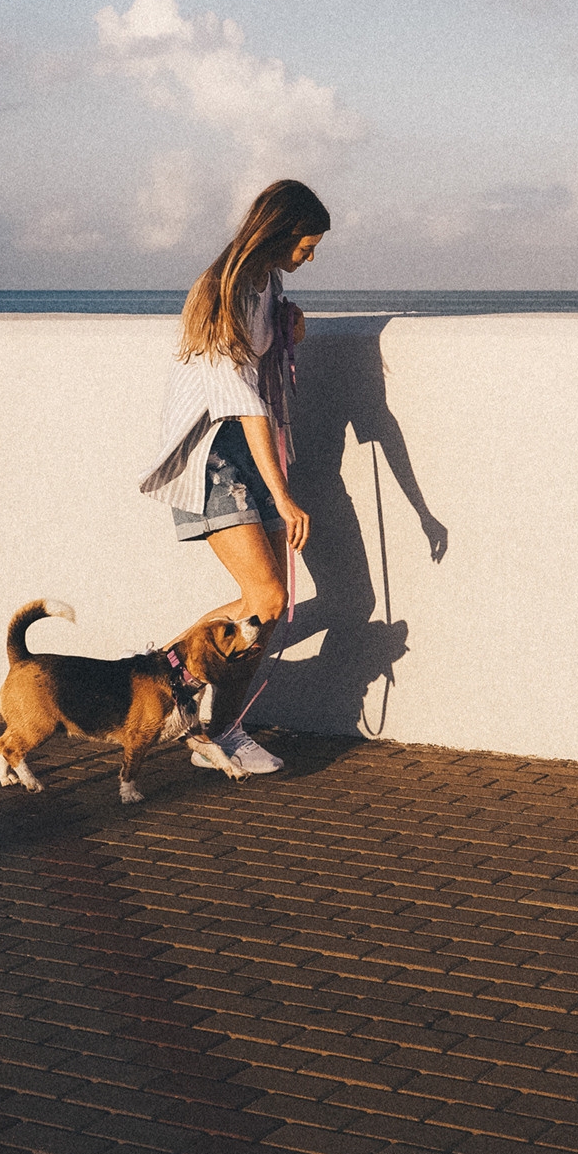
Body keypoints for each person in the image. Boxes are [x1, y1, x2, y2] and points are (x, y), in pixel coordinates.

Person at [138, 179, 330, 774]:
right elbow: (242, 402)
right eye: (307, 244)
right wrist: (283, 495)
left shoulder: (265, 283)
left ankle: (220, 728)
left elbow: (262, 358)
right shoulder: (229, 289)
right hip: (214, 453)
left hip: (249, 450)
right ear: (279, 231)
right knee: (269, 596)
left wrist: (288, 327)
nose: (311, 257)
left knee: (267, 607)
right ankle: (149, 677)